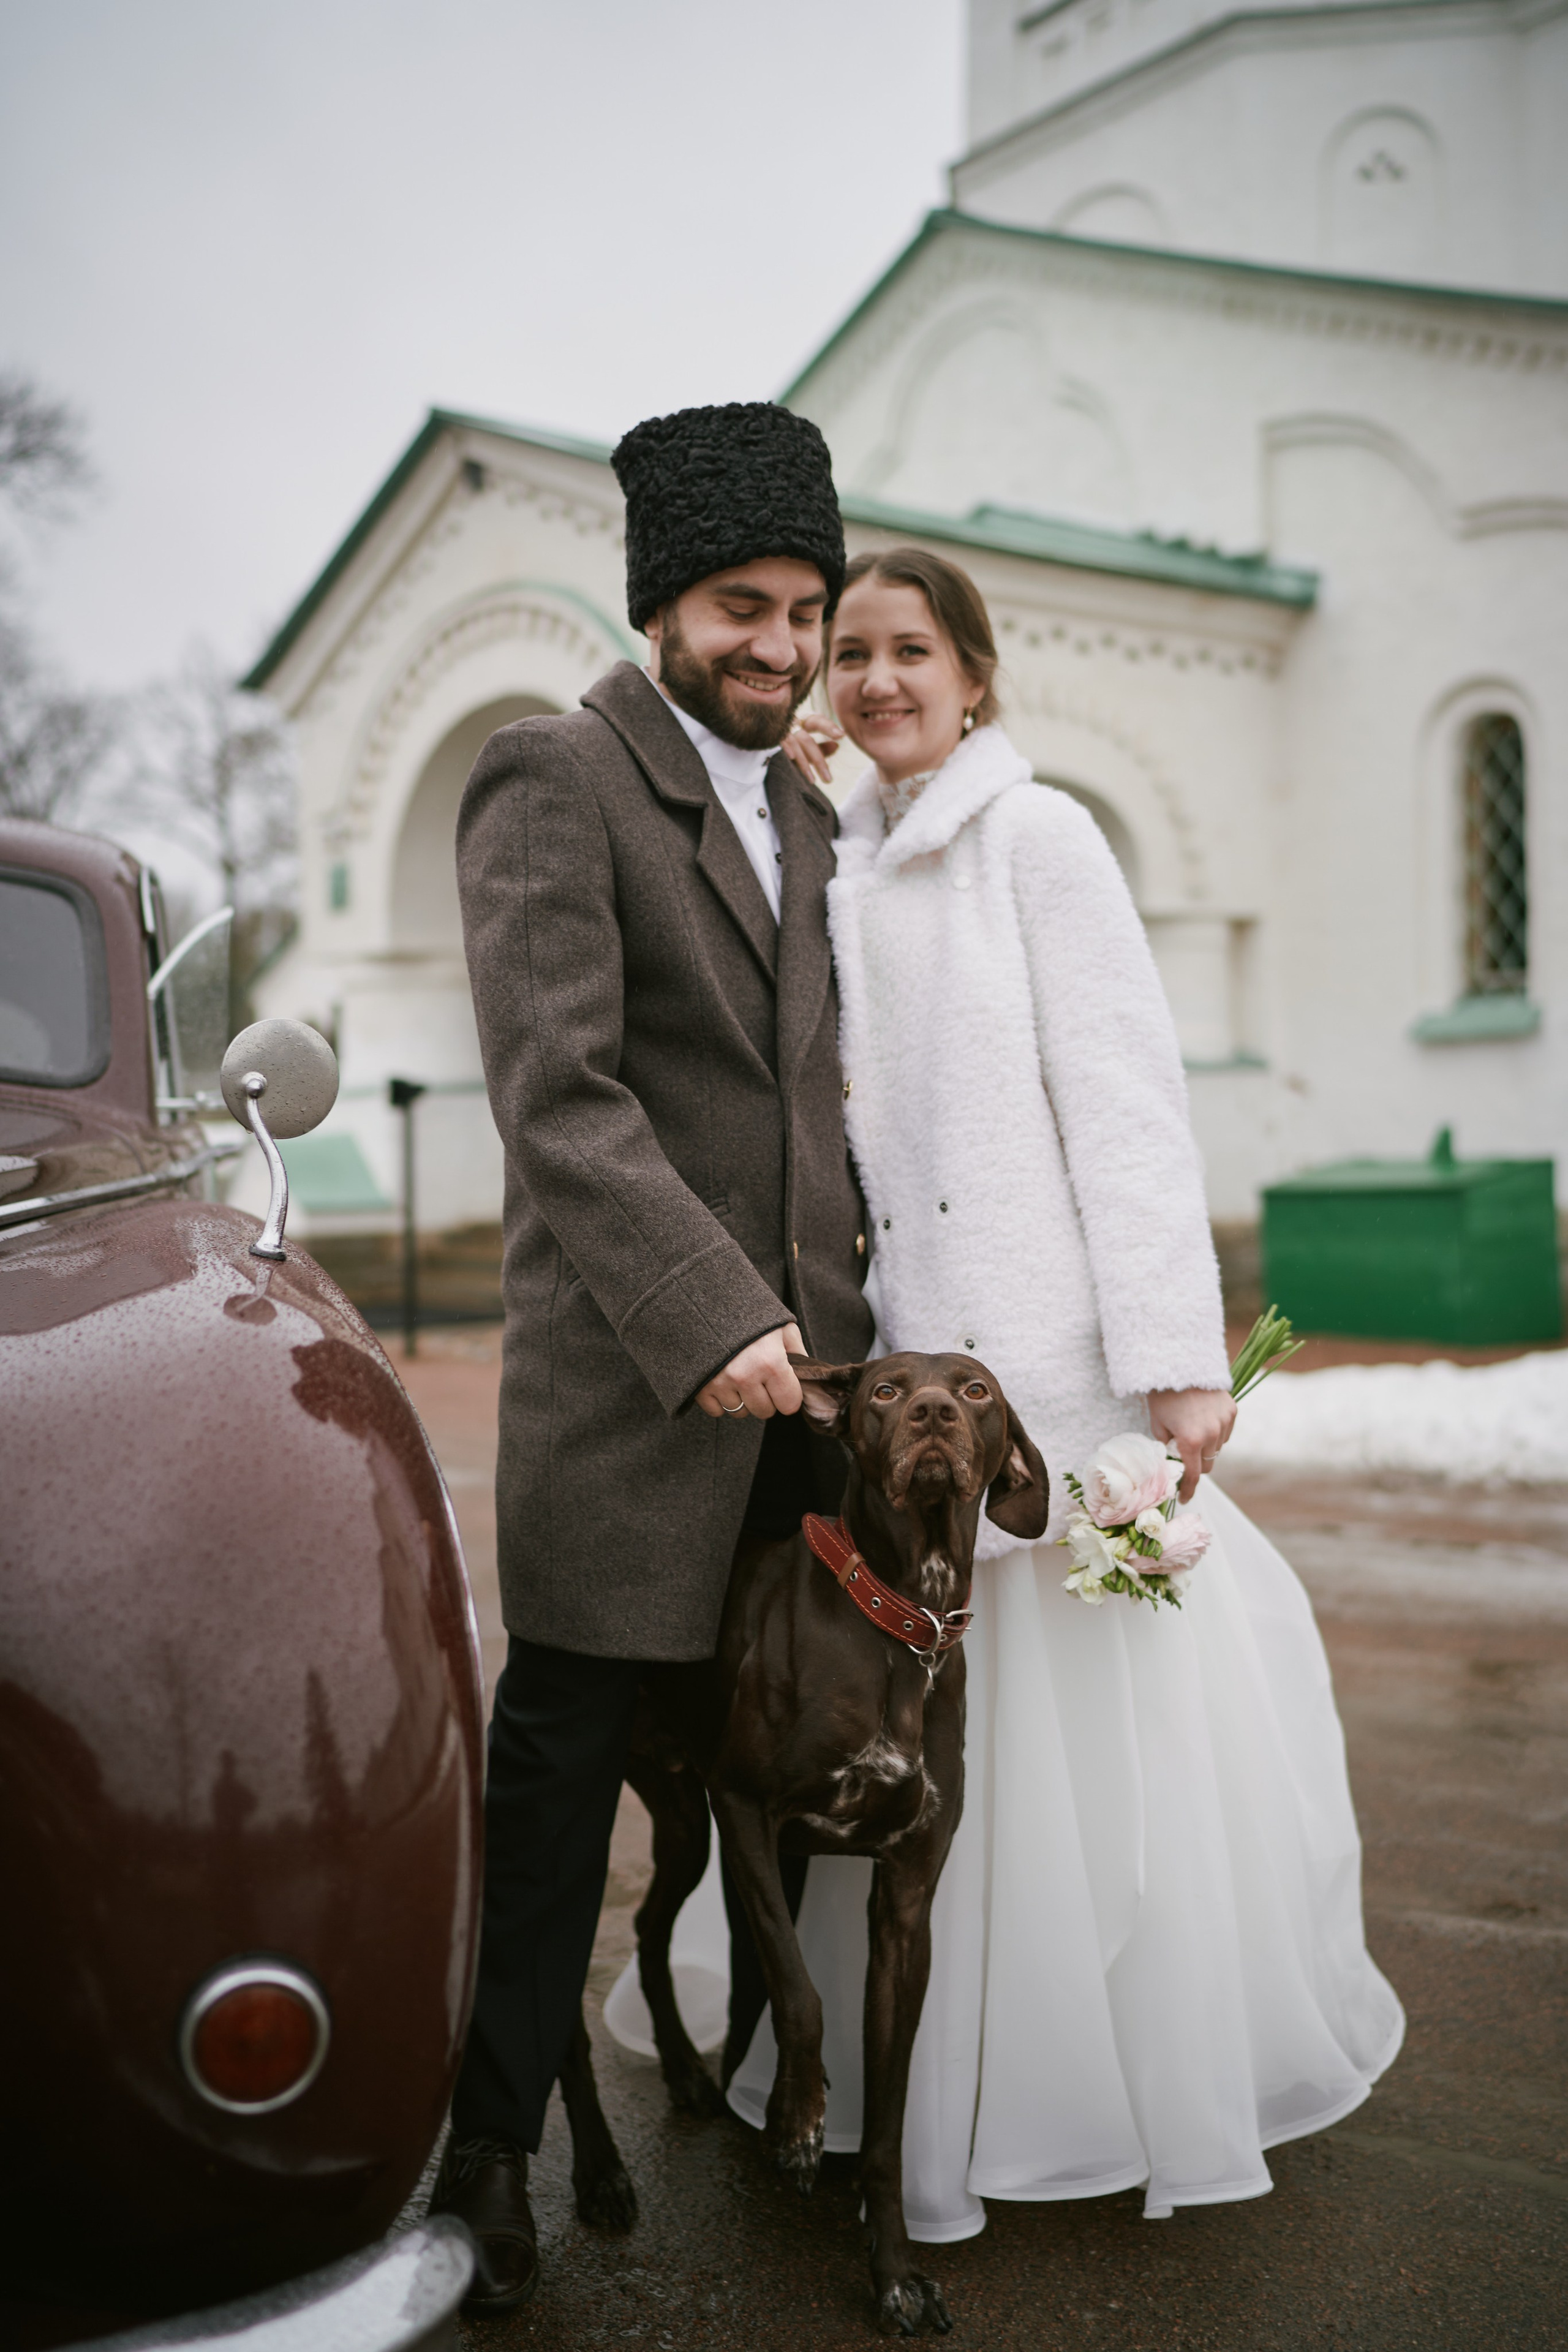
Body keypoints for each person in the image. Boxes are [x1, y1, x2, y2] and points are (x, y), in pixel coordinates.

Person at [725, 546, 1403, 2237]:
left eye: (909, 651)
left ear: (975, 671)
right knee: (930, 1731)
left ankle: (1099, 2083)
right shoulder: (852, 863)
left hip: (1060, 1377)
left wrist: (1176, 1368)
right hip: (917, 1396)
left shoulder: (1038, 839)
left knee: (1086, 1758)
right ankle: (914, 2081)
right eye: (852, 655)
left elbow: (1125, 1099)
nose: (875, 679)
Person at [434, 402, 873, 2309]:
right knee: (556, 1806)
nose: (778, 644)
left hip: (814, 1402)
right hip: (635, 1400)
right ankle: (483, 2157)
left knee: (796, 1774)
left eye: (805, 608)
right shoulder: (552, 775)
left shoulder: (803, 809)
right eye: (739, 607)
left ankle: (793, 2092)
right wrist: (711, 1321)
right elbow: (564, 1100)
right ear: (659, 606)